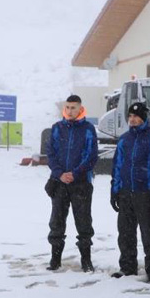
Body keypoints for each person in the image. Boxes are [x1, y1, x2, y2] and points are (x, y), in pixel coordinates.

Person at [109, 102, 150, 283]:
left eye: (136, 116)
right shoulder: (124, 139)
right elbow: (118, 166)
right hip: (126, 192)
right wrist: (115, 190)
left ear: (143, 118)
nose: (132, 119)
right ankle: (127, 267)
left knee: (148, 235)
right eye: (130, 116)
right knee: (125, 233)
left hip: (145, 193)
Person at [45, 95, 99, 272]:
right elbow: (50, 153)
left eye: (73, 108)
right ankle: (55, 259)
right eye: (67, 107)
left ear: (80, 108)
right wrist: (60, 174)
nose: (70, 111)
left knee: (83, 222)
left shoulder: (88, 129)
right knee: (56, 222)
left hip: (81, 183)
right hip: (59, 182)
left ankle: (86, 259)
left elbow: (91, 156)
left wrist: (75, 174)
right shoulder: (57, 128)